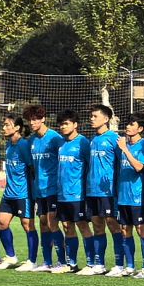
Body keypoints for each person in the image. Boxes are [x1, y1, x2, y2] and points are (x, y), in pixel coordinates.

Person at [0, 112, 35, 269]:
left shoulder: (24, 145)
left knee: (27, 225)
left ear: (17, 127)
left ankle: (32, 261)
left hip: (23, 193)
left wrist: (32, 193)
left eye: (6, 125)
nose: (3, 128)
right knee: (2, 223)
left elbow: (32, 168)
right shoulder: (9, 145)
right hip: (9, 193)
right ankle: (11, 257)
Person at [81, 104, 120, 275]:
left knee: (113, 225)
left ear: (106, 119)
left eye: (95, 116)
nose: (91, 119)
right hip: (92, 191)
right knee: (97, 226)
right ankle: (99, 264)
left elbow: (121, 164)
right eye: (91, 116)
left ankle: (119, 265)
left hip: (108, 191)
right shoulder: (92, 140)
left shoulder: (114, 138)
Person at [114, 114, 144, 277]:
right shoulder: (124, 144)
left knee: (141, 229)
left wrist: (125, 149)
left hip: (138, 196)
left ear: (140, 128)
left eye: (132, 124)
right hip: (123, 196)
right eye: (127, 124)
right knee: (125, 229)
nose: (128, 127)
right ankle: (130, 266)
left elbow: (138, 167)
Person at [51, 110, 89, 273]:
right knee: (67, 226)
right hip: (62, 194)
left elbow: (90, 166)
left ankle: (92, 263)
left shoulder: (83, 142)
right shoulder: (61, 143)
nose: (63, 127)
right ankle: (71, 264)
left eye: (66, 123)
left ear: (75, 125)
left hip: (77, 194)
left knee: (83, 226)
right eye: (61, 124)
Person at [28, 107, 65, 273]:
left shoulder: (55, 138)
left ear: (43, 119)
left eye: (35, 119)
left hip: (53, 189)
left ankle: (62, 261)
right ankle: (47, 261)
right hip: (39, 190)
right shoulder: (32, 140)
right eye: (30, 120)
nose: (32, 122)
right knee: (43, 223)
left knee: (52, 222)